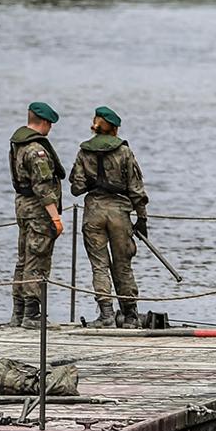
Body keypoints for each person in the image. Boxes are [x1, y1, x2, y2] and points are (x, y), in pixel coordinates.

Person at [68, 105, 149, 328]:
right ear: (114, 129)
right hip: (119, 213)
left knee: (99, 265)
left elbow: (76, 187)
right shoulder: (124, 152)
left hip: (93, 212)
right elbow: (136, 187)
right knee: (123, 264)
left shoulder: (84, 151)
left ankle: (106, 314)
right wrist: (142, 218)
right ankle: (130, 316)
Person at [9, 101, 65, 329]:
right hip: (38, 210)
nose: (50, 128)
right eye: (49, 124)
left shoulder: (18, 144)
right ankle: (32, 315)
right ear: (43, 122)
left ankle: (18, 312)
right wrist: (56, 218)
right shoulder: (36, 150)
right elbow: (42, 186)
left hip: (22, 206)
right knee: (37, 259)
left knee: (23, 258)